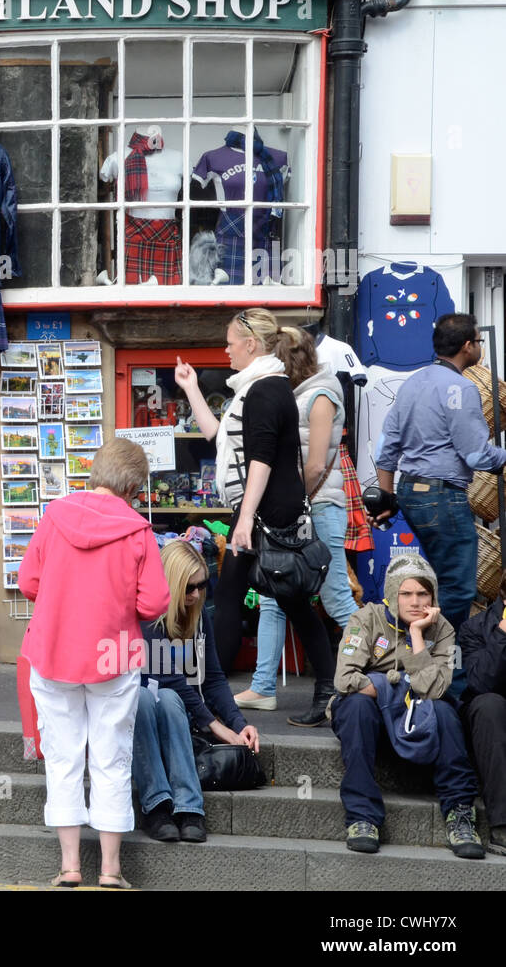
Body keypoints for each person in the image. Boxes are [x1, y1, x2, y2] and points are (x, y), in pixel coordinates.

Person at [175, 308, 339, 728]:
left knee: (240, 598)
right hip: (264, 511)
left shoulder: (265, 390)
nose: (225, 349)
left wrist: (244, 519)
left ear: (251, 345)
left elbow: (261, 461)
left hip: (268, 513)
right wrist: (192, 389)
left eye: (230, 341)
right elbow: (217, 436)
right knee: (284, 601)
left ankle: (210, 694)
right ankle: (324, 690)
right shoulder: (256, 387)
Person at [19, 438, 170, 890]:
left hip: (54, 652)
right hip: (114, 656)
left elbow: (29, 582)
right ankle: (109, 870)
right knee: (111, 759)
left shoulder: (54, 516)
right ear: (133, 486)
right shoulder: (138, 531)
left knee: (63, 758)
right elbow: (155, 601)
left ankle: (69, 867)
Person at [372, 313, 506, 673]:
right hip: (442, 497)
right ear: (467, 346)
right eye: (478, 342)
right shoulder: (460, 388)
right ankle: (444, 672)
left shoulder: (414, 383)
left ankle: (425, 661)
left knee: (435, 584)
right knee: (459, 589)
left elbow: (386, 450)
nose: (479, 347)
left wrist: (387, 499)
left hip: (411, 493)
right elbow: (477, 454)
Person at [329, 555, 484, 858]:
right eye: (406, 593)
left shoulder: (443, 630)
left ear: (433, 597)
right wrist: (401, 686)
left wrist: (416, 638)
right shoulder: (366, 618)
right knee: (356, 706)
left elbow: (436, 690)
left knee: (445, 712)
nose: (415, 602)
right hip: (373, 720)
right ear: (391, 593)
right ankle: (363, 817)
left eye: (423, 594)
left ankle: (460, 813)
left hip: (421, 719)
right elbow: (345, 679)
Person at [237, 326, 355, 712]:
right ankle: (262, 686)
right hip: (306, 508)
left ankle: (364, 676)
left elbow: (318, 461)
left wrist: (293, 497)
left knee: (337, 598)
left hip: (319, 506)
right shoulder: (296, 393)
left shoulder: (321, 394)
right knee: (274, 596)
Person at [135, 540, 259, 844]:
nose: (196, 594)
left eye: (202, 585)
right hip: (145, 722)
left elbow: (214, 677)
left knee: (169, 699)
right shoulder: (145, 616)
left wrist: (239, 724)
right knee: (151, 697)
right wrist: (216, 725)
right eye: (189, 587)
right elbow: (169, 676)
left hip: (184, 721)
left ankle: (190, 808)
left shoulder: (198, 616)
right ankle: (157, 807)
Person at [458, 575, 506, 855]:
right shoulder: (474, 628)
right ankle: (501, 825)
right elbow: (481, 683)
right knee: (489, 704)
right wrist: (502, 635)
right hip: (490, 715)